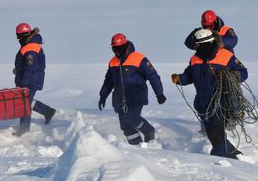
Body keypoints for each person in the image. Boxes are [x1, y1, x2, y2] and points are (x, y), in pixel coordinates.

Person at [172, 29, 248, 159]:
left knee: (216, 136)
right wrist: (180, 79)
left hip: (220, 103)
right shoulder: (194, 59)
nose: (195, 47)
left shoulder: (225, 55)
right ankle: (233, 153)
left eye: (197, 45)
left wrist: (229, 76)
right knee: (213, 135)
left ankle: (220, 163)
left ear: (206, 43)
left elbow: (243, 73)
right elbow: (189, 75)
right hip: (202, 104)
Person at [99, 33, 166, 145]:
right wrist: (103, 96)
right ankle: (136, 148)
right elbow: (108, 81)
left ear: (125, 45)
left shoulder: (139, 58)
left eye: (119, 48)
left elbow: (153, 76)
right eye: (114, 49)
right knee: (125, 126)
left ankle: (148, 130)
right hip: (119, 98)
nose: (117, 51)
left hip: (136, 94)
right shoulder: (113, 62)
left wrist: (159, 94)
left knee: (130, 118)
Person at [13, 23, 56, 136]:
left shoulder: (30, 47)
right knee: (27, 100)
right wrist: (18, 70)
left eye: (18, 36)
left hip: (30, 79)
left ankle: (24, 129)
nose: (17, 39)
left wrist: (24, 84)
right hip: (31, 78)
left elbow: (30, 68)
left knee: (24, 103)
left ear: (24, 34)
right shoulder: (30, 45)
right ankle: (48, 111)